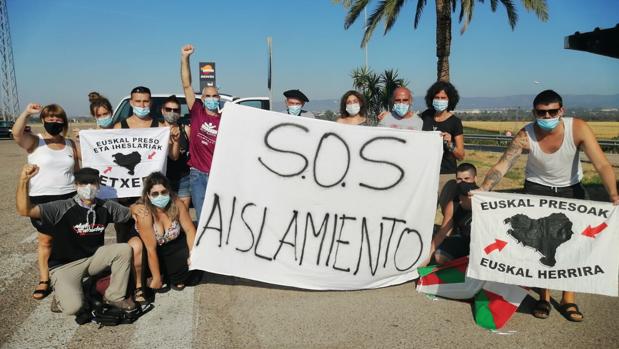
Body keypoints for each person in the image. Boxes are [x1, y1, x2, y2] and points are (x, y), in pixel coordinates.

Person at [479, 89, 619, 322]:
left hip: (570, 189)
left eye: (552, 111)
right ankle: (544, 295)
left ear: (561, 111)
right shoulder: (526, 134)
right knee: (540, 243)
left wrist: (614, 194)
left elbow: (602, 164)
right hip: (536, 189)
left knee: (571, 243)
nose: (547, 116)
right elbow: (503, 165)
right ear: (534, 112)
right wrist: (484, 190)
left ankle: (568, 298)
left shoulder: (578, 128)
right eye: (542, 113)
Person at [16, 165, 136, 314]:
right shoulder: (61, 207)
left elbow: (129, 213)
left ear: (99, 185)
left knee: (123, 249)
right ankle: (61, 292)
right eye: (83, 183)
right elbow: (25, 210)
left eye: (92, 183)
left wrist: (138, 207)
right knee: (74, 308)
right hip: (65, 265)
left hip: (93, 259)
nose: (88, 187)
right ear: (76, 186)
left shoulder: (105, 206)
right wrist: (23, 181)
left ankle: (114, 296)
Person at [12, 103, 79, 301]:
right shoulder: (35, 141)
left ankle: (69, 275)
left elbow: (76, 170)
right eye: (50, 119)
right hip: (42, 198)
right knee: (46, 240)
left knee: (69, 239)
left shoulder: (70, 144)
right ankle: (44, 279)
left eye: (58, 119)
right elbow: (16, 134)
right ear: (43, 121)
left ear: (64, 122)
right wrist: (26, 113)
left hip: (68, 197)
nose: (54, 122)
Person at [130, 172, 196, 301]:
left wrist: (193, 255)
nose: (160, 196)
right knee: (136, 248)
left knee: (189, 268)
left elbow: (189, 229)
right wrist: (156, 277)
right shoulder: (144, 212)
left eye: (163, 192)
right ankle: (140, 284)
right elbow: (151, 249)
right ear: (148, 195)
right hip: (148, 248)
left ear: (169, 192)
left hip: (170, 244)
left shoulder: (176, 202)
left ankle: (172, 274)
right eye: (155, 193)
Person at [181, 44, 223, 223]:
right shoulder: (197, 111)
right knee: (202, 215)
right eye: (208, 96)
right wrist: (185, 58)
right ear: (203, 99)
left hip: (218, 173)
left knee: (219, 215)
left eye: (215, 96)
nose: (212, 99)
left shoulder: (225, 119)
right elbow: (186, 84)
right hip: (198, 174)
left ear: (219, 99)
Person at [420, 81, 465, 214]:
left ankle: (447, 235)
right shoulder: (425, 116)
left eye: (443, 98)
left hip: (447, 174)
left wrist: (450, 144)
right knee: (425, 210)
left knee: (448, 212)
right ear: (431, 99)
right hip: (427, 172)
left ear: (450, 99)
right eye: (437, 97)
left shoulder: (455, 122)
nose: (439, 100)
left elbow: (461, 155)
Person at [430, 163, 478, 264]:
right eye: (459, 179)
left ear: (475, 179)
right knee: (440, 256)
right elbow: (443, 233)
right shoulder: (453, 204)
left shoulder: (485, 199)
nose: (463, 182)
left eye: (467, 178)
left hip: (482, 242)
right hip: (464, 240)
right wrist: (428, 256)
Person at [161, 95, 192, 208]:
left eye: (176, 110)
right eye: (169, 109)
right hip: (162, 179)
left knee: (183, 212)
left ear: (179, 112)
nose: (172, 112)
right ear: (162, 111)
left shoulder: (186, 130)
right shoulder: (156, 130)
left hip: (183, 178)